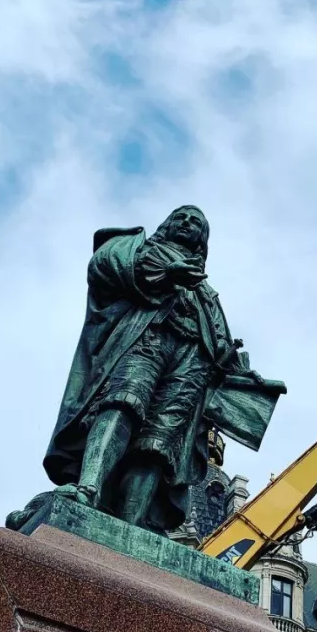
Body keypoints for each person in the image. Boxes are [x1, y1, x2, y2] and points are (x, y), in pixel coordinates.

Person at [42, 205, 285, 533]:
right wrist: (167, 273)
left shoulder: (206, 292)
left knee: (160, 444)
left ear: (202, 239)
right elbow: (103, 267)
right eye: (180, 217)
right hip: (149, 339)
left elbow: (221, 348)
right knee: (122, 403)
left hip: (192, 364)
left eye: (195, 222)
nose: (186, 223)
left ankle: (132, 522)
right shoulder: (141, 249)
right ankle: (89, 489)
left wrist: (251, 380)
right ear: (167, 224)